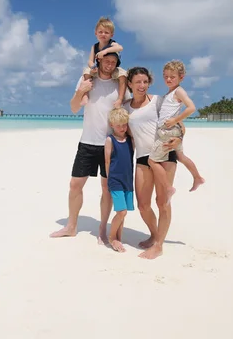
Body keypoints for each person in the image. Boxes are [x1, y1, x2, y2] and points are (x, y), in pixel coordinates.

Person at [50, 51, 127, 244]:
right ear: (99, 60)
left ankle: (102, 229)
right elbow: (74, 108)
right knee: (75, 185)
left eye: (113, 62)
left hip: (110, 144)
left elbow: (130, 108)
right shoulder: (87, 79)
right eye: (106, 61)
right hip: (87, 142)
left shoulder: (119, 85)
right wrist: (79, 91)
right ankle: (71, 226)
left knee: (106, 188)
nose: (109, 64)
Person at [143, 60, 204, 259]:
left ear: (181, 78)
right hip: (170, 131)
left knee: (154, 164)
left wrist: (175, 121)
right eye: (166, 77)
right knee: (181, 155)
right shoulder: (168, 95)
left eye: (173, 77)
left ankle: (158, 245)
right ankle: (197, 177)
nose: (169, 79)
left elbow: (191, 107)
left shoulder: (178, 92)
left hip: (168, 132)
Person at [122, 67, 181, 259]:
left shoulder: (158, 101)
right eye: (137, 82)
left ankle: (159, 245)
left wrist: (179, 139)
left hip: (164, 154)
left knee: (162, 202)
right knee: (143, 205)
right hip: (142, 157)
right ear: (129, 83)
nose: (142, 86)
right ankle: (155, 235)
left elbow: (178, 124)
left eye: (145, 82)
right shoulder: (125, 107)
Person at [104, 108, 135, 253]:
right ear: (112, 125)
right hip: (115, 180)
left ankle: (119, 236)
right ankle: (111, 237)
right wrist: (108, 181)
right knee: (121, 211)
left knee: (124, 212)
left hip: (128, 181)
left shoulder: (130, 140)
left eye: (124, 125)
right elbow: (107, 162)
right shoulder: (110, 140)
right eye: (119, 125)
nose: (122, 128)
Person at [80, 17, 128, 109]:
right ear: (96, 33)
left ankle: (120, 98)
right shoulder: (95, 46)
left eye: (106, 32)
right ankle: (85, 95)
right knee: (86, 71)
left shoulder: (112, 43)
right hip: (99, 68)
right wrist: (92, 66)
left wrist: (104, 52)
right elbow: (90, 60)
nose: (103, 34)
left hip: (114, 69)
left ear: (111, 35)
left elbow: (120, 48)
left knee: (123, 75)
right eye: (100, 32)